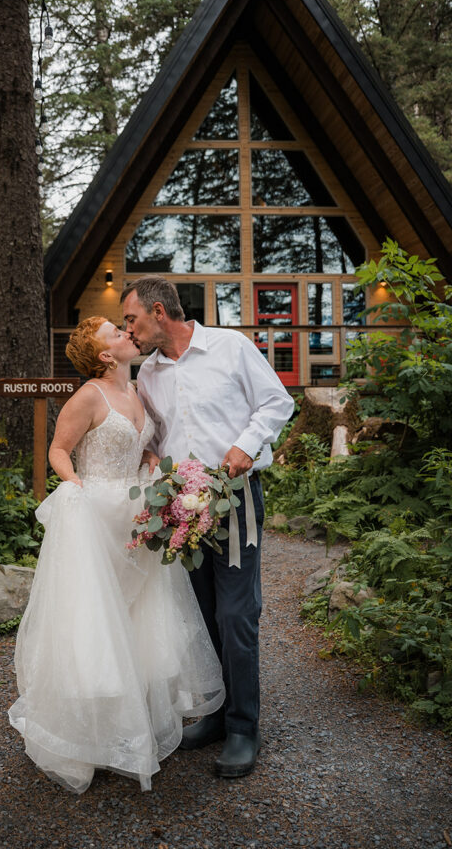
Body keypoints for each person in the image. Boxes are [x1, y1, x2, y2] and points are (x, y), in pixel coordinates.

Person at [8, 316, 224, 793]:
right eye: (116, 333)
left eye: (123, 330)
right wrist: (75, 486)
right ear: (105, 355)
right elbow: (59, 450)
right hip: (97, 518)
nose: (127, 334)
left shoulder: (139, 391)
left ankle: (132, 725)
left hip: (136, 517)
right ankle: (91, 732)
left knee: (139, 619)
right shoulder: (89, 395)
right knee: (96, 624)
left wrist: (149, 460)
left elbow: (142, 443)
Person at [121, 278, 294, 779]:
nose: (128, 330)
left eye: (132, 319)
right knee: (203, 614)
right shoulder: (149, 374)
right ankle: (218, 713)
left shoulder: (230, 346)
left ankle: (244, 727)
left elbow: (276, 403)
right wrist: (151, 452)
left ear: (159, 312)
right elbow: (157, 432)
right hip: (182, 509)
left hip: (235, 500)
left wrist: (245, 445)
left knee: (237, 615)